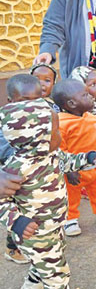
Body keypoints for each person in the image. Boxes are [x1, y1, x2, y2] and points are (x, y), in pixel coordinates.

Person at [0, 99, 96, 289]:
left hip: (52, 224)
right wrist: (17, 222)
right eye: (55, 132)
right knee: (56, 270)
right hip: (34, 232)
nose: (60, 136)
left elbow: (69, 160)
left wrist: (90, 157)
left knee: (49, 258)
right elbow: (2, 202)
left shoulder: (49, 156)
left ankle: (34, 282)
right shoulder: (15, 168)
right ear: (37, 138)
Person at [52, 79, 96, 236]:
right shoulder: (61, 123)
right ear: (72, 103)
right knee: (71, 196)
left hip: (94, 167)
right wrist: (68, 171)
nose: (91, 97)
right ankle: (70, 218)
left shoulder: (93, 118)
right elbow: (60, 148)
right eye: (85, 95)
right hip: (73, 170)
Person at [3, 74, 43, 264]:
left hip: (34, 179)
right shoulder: (7, 124)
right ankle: (12, 248)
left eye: (36, 101)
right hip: (13, 177)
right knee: (16, 215)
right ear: (11, 101)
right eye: (24, 101)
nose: (30, 107)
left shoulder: (42, 118)